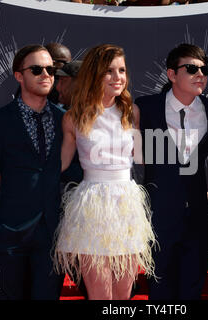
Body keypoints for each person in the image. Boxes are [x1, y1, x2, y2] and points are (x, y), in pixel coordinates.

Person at [53, 44, 156, 300]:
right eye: (109, 71)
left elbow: (144, 158)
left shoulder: (132, 113)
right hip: (91, 206)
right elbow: (60, 163)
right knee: (100, 294)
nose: (118, 77)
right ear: (93, 74)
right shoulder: (74, 117)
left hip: (127, 205)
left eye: (121, 70)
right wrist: (20, 176)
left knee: (123, 294)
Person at [0, 44, 66, 300]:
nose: (46, 74)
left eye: (50, 69)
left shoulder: (66, 120)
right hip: (11, 234)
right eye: (37, 69)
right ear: (19, 75)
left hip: (53, 235)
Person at [134, 43, 208, 300]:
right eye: (191, 68)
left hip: (196, 214)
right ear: (172, 74)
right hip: (158, 213)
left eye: (205, 69)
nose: (200, 74)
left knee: (193, 283)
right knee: (159, 286)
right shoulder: (146, 107)